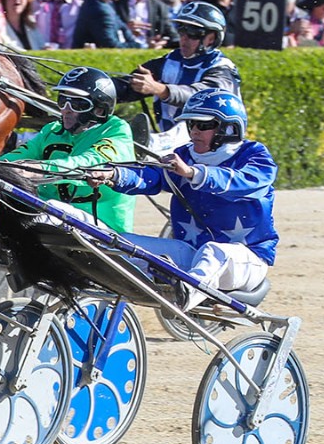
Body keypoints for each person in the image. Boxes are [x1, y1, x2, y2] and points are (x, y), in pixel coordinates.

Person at [87, 89, 277, 309]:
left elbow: (246, 182)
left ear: (229, 127)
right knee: (119, 244)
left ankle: (181, 299)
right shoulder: (185, 154)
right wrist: (114, 174)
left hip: (247, 260)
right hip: (191, 253)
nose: (194, 131)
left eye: (203, 125)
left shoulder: (255, 155)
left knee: (214, 252)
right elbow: (154, 176)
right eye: (191, 124)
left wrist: (193, 173)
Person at [2, 67, 136, 232]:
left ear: (99, 109)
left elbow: (88, 163)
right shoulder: (52, 130)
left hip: (103, 226)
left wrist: (37, 169)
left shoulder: (116, 130)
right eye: (62, 100)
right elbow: (14, 158)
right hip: (54, 216)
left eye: (77, 104)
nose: (66, 108)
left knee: (46, 210)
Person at [124, 1, 241, 151]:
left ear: (211, 38)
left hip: (216, 150)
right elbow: (128, 84)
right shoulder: (170, 60)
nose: (184, 38)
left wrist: (159, 89)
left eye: (192, 32)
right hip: (176, 148)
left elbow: (202, 99)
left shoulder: (223, 70)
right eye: (181, 30)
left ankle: (153, 144)